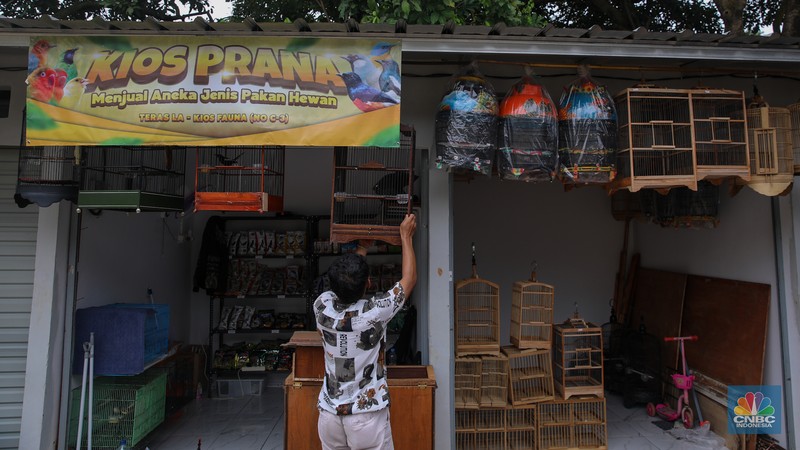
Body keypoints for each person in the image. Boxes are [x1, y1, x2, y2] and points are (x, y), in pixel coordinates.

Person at [314, 213, 417, 450]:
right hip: (365, 415)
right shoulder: (373, 313)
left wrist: (361, 249)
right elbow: (409, 280)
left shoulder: (322, 306)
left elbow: (343, 282)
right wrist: (406, 237)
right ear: (368, 284)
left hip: (329, 413)